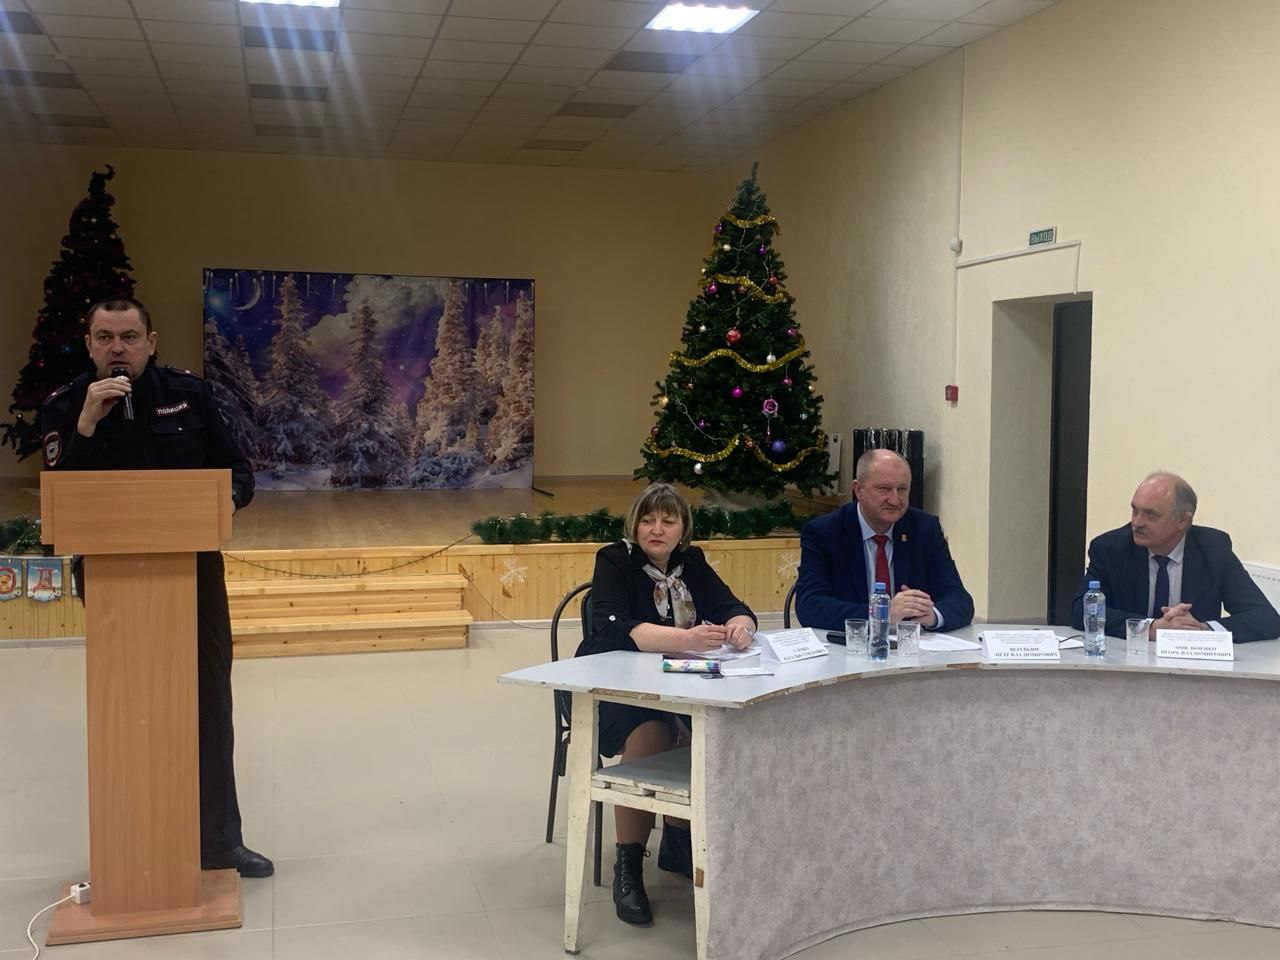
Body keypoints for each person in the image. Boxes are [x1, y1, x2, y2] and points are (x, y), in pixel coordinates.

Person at [39, 297, 272, 878]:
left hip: (193, 571)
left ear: (151, 341)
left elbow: (237, 471)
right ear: (89, 345)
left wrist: (223, 503)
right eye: (105, 337)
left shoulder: (189, 395)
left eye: (129, 336)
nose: (117, 348)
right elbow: (59, 496)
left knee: (209, 703)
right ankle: (132, 843)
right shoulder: (66, 406)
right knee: (128, 706)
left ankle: (219, 842)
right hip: (112, 578)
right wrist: (86, 425)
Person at [580, 482, 756, 926]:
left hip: (680, 683)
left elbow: (733, 605)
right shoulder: (614, 560)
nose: (656, 529)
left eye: (667, 521)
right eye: (647, 520)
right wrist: (686, 639)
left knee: (712, 726)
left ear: (683, 529)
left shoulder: (691, 562)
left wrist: (740, 627)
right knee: (653, 733)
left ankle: (679, 841)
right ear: (634, 525)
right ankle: (628, 865)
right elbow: (616, 627)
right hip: (613, 685)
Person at [1071, 472, 1280, 642]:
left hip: (1194, 665)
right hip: (1131, 658)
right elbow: (1081, 610)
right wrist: (1151, 627)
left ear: (1183, 521)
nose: (1137, 522)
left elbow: (1266, 618)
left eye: (1150, 514)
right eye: (1135, 511)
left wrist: (1202, 630)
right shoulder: (1111, 549)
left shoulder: (1213, 549)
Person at [796, 449, 974, 633]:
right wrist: (881, 614)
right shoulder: (824, 532)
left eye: (902, 489)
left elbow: (960, 599)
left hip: (911, 645)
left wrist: (932, 615)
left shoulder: (924, 529)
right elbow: (809, 606)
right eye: (884, 489)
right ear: (859, 490)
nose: (895, 500)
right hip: (849, 644)